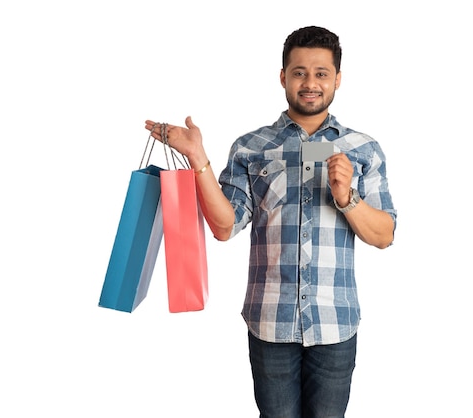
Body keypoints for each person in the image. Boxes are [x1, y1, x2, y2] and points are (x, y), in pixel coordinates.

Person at [145, 26, 396, 418]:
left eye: (321, 73)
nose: (310, 83)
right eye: (299, 72)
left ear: (337, 79)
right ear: (283, 77)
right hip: (270, 324)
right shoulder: (251, 147)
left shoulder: (362, 148)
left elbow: (384, 234)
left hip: (335, 324)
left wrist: (348, 198)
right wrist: (198, 157)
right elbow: (224, 226)